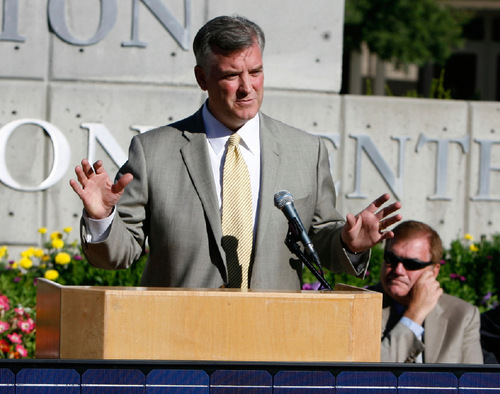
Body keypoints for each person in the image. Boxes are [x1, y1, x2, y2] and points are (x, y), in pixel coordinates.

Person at [69, 15, 402, 290]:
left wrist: (347, 243)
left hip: (272, 342)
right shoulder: (153, 151)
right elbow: (119, 255)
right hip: (179, 340)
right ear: (202, 77)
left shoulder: (307, 150)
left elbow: (317, 240)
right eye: (231, 75)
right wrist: (101, 219)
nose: (247, 87)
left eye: (255, 72)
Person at [371, 220, 483, 363]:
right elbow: (369, 376)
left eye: (412, 264)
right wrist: (413, 316)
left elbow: (473, 382)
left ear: (434, 271)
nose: (398, 270)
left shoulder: (463, 316)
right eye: (391, 259)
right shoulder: (360, 307)